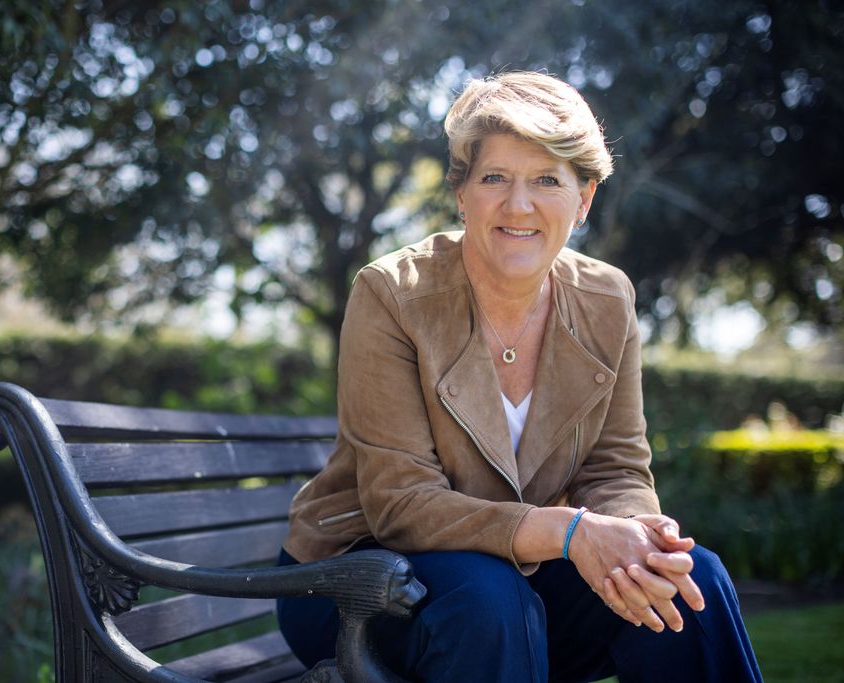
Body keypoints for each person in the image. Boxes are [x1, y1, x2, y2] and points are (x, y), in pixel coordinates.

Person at [275, 71, 762, 682]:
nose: (518, 205)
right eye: (495, 178)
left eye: (547, 181)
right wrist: (572, 532)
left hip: (515, 577)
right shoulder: (392, 294)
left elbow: (615, 467)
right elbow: (400, 504)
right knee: (488, 596)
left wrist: (638, 532)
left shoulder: (607, 299)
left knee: (690, 581)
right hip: (355, 582)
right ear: (462, 193)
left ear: (583, 200)